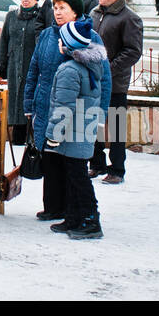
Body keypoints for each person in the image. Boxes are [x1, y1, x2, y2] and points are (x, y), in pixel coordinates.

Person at [46, 17, 111, 240]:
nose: (58, 43)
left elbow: (63, 106)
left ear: (68, 45)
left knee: (79, 178)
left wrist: (54, 134)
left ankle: (91, 219)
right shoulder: (86, 66)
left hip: (74, 131)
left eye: (61, 40)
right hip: (81, 130)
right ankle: (74, 217)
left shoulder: (70, 70)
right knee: (73, 175)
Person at [24, 0, 85, 223]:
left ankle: (71, 209)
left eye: (63, 9)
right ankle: (52, 206)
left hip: (70, 108)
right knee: (48, 157)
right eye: (55, 8)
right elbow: (34, 71)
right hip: (44, 105)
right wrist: (29, 103)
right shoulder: (47, 35)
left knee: (67, 159)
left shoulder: (84, 35)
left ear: (75, 13)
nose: (58, 12)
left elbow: (98, 75)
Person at [87, 0, 142, 184]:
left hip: (115, 83)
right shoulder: (94, 13)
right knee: (94, 123)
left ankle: (117, 169)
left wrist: (108, 70)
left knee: (116, 126)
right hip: (93, 80)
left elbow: (133, 51)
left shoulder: (129, 18)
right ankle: (96, 164)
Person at [0, 0, 43, 146]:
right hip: (14, 64)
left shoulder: (40, 17)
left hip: (32, 65)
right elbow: (4, 40)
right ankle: (17, 136)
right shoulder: (12, 16)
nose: (25, 0)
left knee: (29, 98)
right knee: (15, 99)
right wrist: (1, 64)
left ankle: (31, 136)